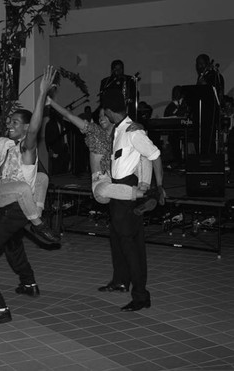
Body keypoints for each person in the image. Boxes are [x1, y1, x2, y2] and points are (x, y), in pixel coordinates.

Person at [101, 88, 165, 312]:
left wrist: (159, 187)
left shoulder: (133, 132)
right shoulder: (121, 129)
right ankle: (120, 281)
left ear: (109, 111)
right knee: (118, 239)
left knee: (130, 245)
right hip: (118, 189)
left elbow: (155, 156)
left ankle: (141, 296)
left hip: (128, 189)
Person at [0, 66, 60, 244]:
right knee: (38, 179)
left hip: (17, 193)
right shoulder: (10, 146)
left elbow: (34, 131)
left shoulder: (26, 148)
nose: (9, 125)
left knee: (36, 180)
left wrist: (42, 94)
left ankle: (37, 221)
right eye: (9, 121)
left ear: (26, 127)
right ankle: (33, 216)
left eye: (15, 122)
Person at [46, 97, 154, 215]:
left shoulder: (123, 131)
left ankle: (144, 188)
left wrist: (140, 126)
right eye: (99, 116)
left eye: (105, 115)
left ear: (112, 116)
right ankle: (143, 195)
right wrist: (51, 102)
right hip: (102, 181)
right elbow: (69, 116)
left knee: (144, 153)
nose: (101, 118)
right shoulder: (95, 132)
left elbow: (141, 140)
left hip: (121, 175)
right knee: (102, 191)